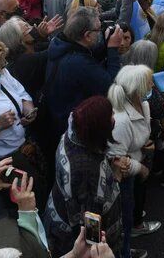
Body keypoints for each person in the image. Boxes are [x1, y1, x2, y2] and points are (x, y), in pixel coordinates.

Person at [44, 96, 123, 257]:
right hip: (75, 241)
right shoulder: (86, 173)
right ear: (99, 128)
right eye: (110, 116)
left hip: (57, 219)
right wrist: (115, 177)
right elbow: (90, 231)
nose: (114, 117)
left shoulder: (73, 132)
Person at [43, 7, 124, 151]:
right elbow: (112, 86)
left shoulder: (60, 44)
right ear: (87, 35)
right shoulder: (77, 63)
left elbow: (87, 55)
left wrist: (105, 44)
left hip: (58, 118)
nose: (101, 31)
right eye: (99, 29)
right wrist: (112, 49)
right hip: (76, 129)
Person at [107, 65, 161, 258]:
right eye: (149, 82)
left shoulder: (143, 104)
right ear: (137, 88)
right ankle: (125, 252)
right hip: (127, 174)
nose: (153, 84)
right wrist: (140, 169)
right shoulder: (121, 120)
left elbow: (141, 134)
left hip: (139, 162)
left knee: (133, 207)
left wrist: (147, 143)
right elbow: (117, 161)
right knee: (124, 218)